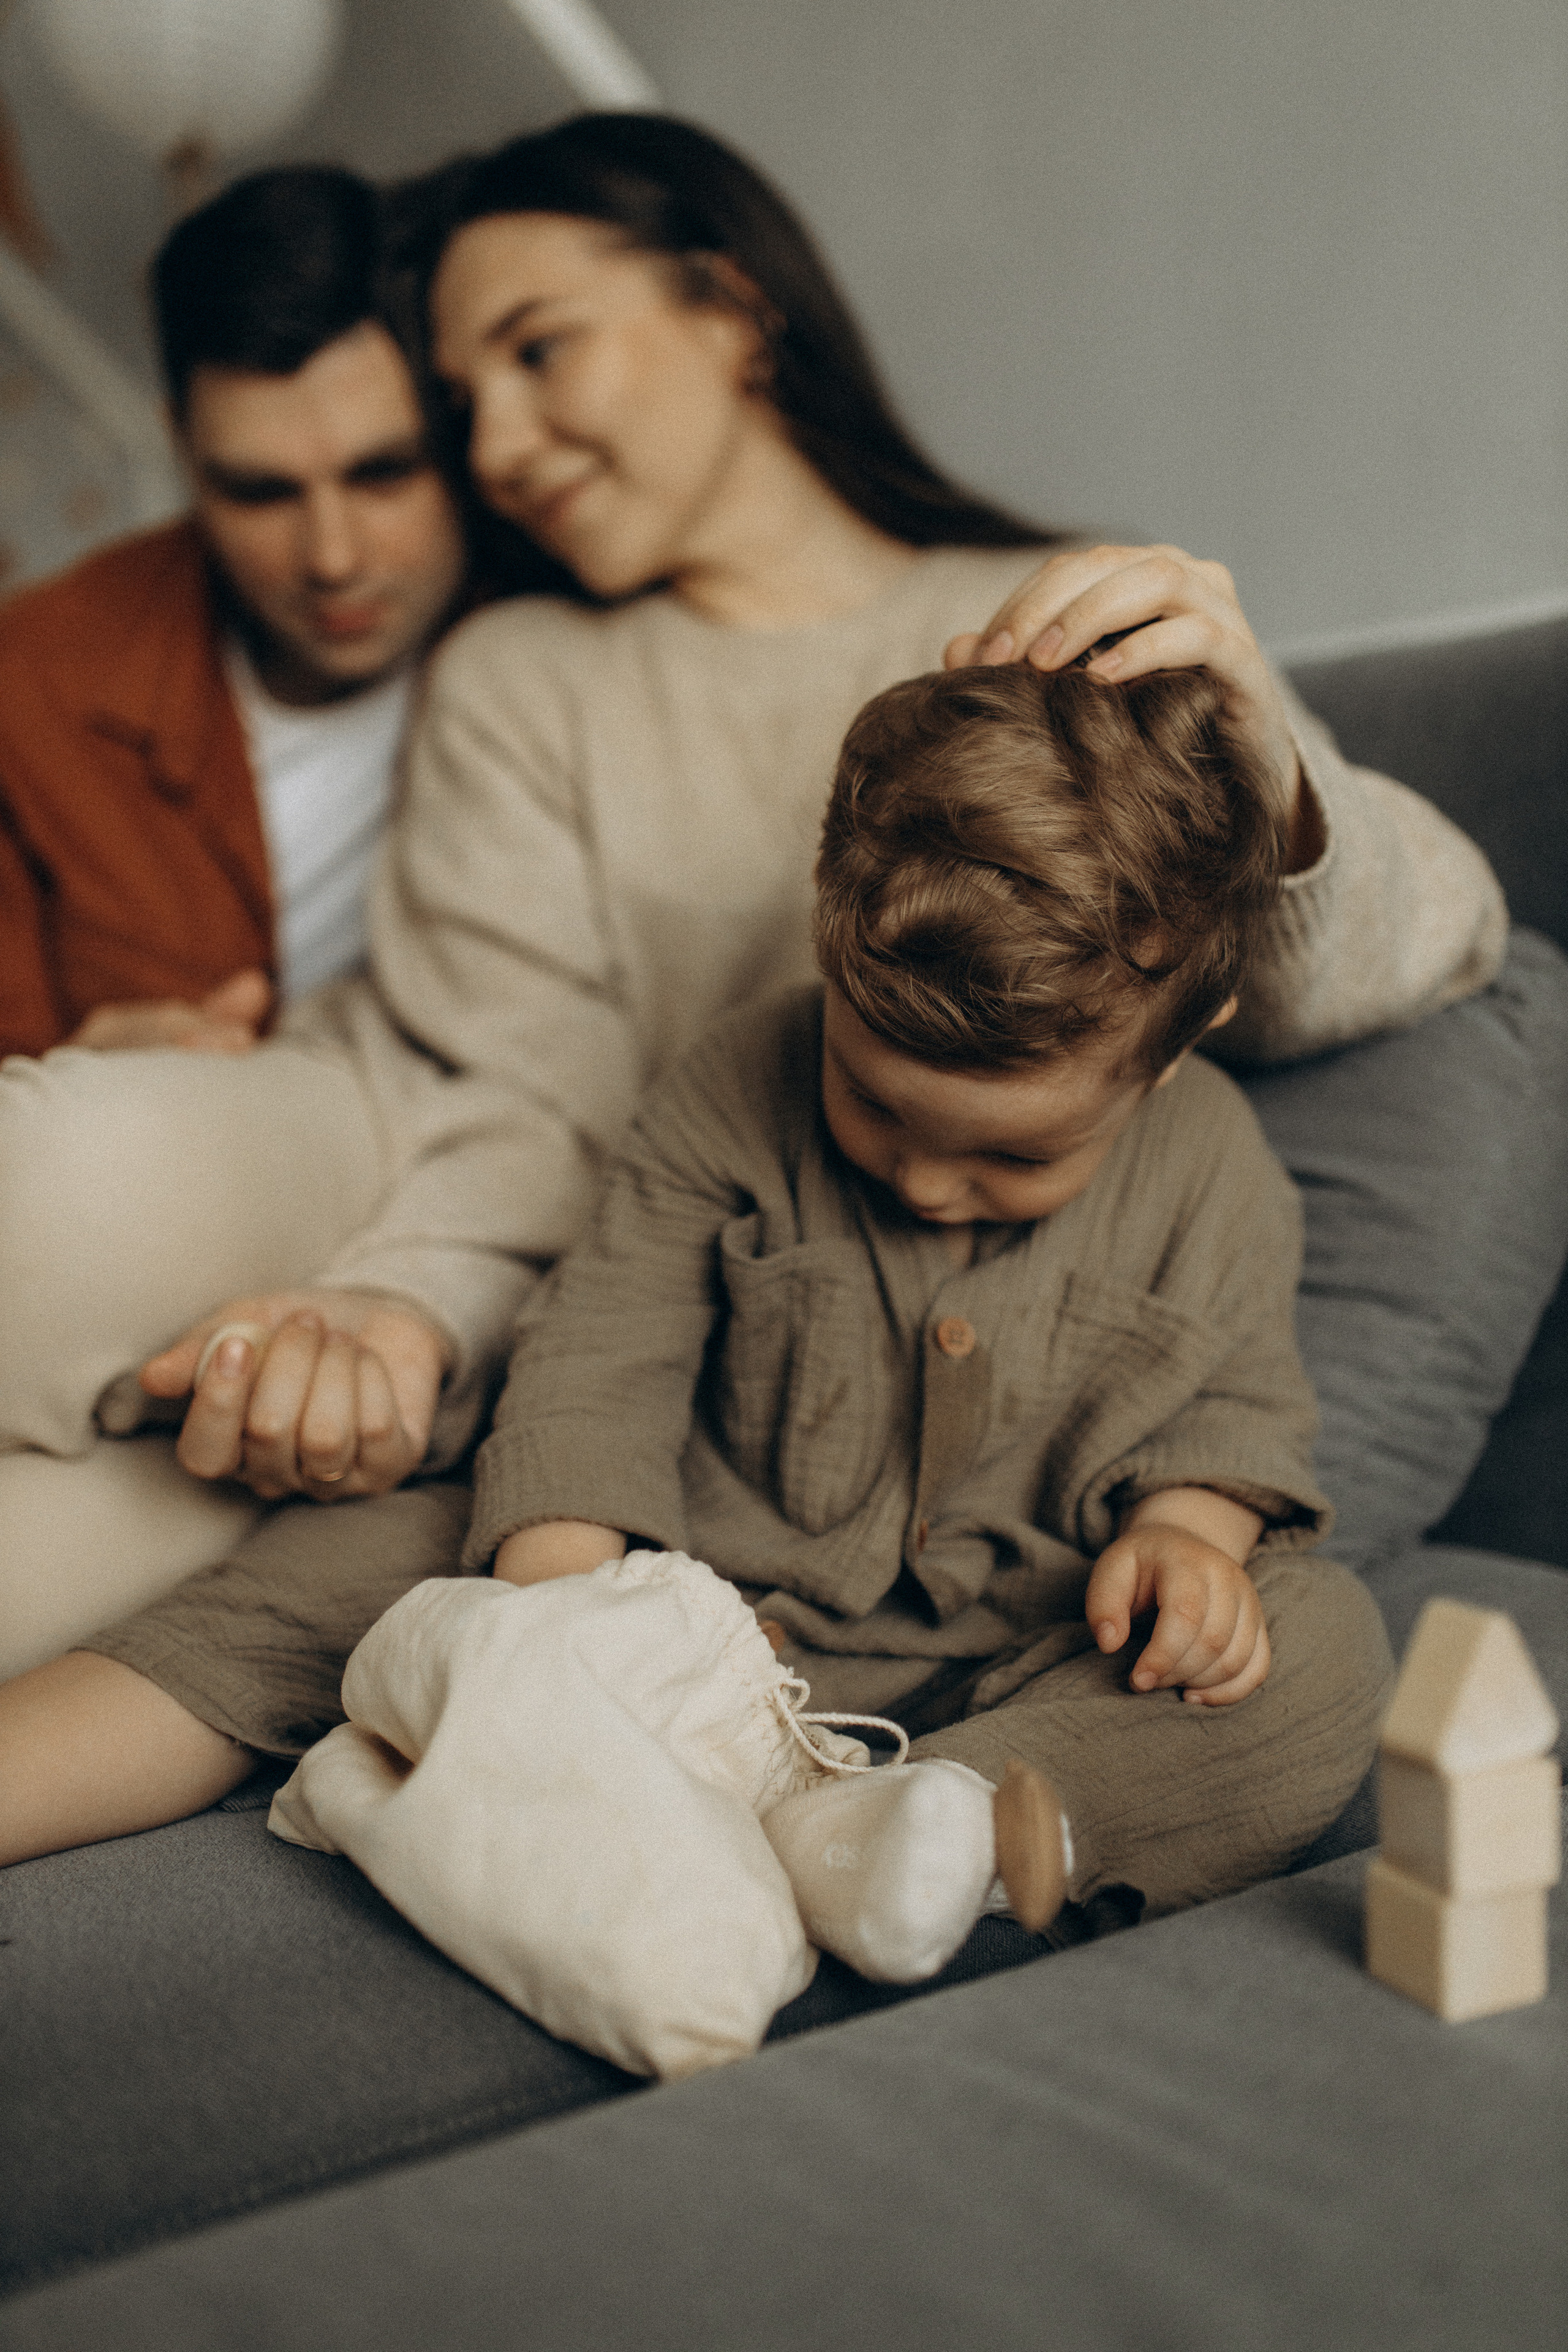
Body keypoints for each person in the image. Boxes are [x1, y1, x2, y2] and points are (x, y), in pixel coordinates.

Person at [0, 116, 1541, 1845]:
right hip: (604, 1288)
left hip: (874, 1443)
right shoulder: (524, 678)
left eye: (538, 351)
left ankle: (912, 1840)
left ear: (730, 309)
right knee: (77, 1236)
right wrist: (412, 1323)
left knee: (1304, 1664)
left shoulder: (1059, 630)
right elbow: (532, 1105)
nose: (498, 440)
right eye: (467, 397)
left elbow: (1435, 948)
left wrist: (1265, 752)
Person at [116, 665, 1392, 2010]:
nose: (923, 1180)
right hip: (681, 1605)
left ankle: (923, 1827)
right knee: (346, 1558)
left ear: (1178, 1043)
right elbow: (601, 1364)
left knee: (1320, 1649)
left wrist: (1189, 1543)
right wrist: (585, 1626)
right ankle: (686, 1799)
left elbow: (1236, 1410)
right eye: (871, 1102)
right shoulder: (734, 1082)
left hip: (1004, 1665)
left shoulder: (1219, 1178)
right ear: (824, 944)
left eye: (1012, 1155)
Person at [0, 165, 467, 1060]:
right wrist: (72, 1083)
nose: (333, 558)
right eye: (260, 492)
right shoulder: (32, 680)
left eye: (384, 474)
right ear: (181, 449)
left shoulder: (559, 612)